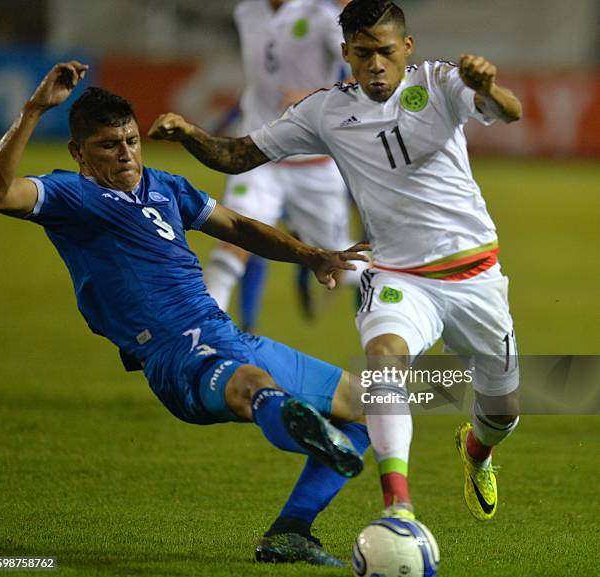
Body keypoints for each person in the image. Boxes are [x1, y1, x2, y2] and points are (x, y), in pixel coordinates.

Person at [149, 0, 523, 523]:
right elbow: (240, 156)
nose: (375, 65)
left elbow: (509, 111)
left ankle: (477, 452)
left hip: (475, 276)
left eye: (386, 53)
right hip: (398, 276)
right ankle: (399, 508)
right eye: (363, 53)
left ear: (407, 49)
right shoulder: (326, 110)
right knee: (384, 361)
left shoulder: (441, 82)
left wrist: (485, 85)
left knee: (502, 412)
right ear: (345, 52)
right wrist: (191, 136)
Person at [0, 61, 373, 566]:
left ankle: (290, 532)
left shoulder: (165, 186)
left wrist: (310, 255)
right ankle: (297, 424)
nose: (126, 153)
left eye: (130, 140)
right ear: (78, 152)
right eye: (109, 145)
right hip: (177, 354)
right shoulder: (70, 196)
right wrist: (36, 108)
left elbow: (235, 224)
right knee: (251, 384)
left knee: (373, 405)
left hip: (226, 335)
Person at [205, 0, 362, 332]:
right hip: (258, 154)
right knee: (234, 238)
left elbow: (360, 75)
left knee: (346, 265)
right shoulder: (246, 11)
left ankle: (406, 315)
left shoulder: (322, 17)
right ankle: (201, 339)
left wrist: (313, 94)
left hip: (314, 164)